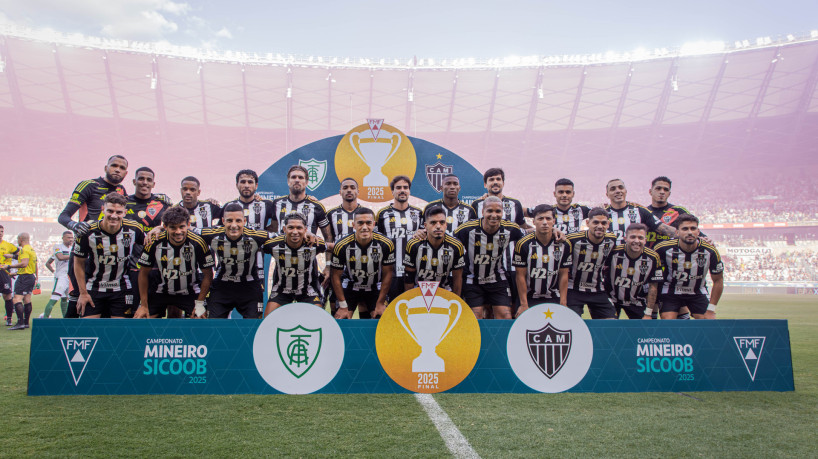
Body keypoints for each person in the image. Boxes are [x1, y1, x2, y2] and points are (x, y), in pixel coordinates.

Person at [57, 155, 129, 318]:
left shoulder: (121, 191)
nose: (117, 169)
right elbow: (63, 216)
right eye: (114, 165)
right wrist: (76, 226)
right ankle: (70, 341)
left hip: (109, 256)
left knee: (104, 308)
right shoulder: (89, 185)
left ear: (126, 173)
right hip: (85, 254)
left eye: (122, 167)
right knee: (77, 303)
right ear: (106, 168)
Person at [70, 193, 146, 319]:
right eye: (110, 211)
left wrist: (157, 229)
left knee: (120, 332)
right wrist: (82, 293)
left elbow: (149, 243)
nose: (114, 216)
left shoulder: (134, 229)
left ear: (125, 212)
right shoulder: (87, 231)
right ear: (103, 210)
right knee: (89, 330)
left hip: (121, 288)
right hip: (93, 288)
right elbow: (78, 262)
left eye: (118, 212)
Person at [135, 206, 214, 319]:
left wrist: (200, 304)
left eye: (182, 227)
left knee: (200, 319)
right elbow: (143, 273)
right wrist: (143, 305)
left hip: (189, 291)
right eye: (173, 228)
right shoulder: (154, 242)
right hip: (160, 291)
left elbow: (208, 274)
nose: (178, 232)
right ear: (165, 227)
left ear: (188, 224)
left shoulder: (198, 243)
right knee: (142, 319)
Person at [470, 168, 530, 313]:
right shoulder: (476, 205)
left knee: (512, 304)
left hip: (511, 265)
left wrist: (549, 230)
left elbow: (523, 227)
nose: (495, 182)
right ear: (485, 184)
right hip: (486, 266)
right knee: (487, 306)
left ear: (503, 182)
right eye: (491, 179)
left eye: (498, 179)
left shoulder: (515, 204)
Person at [455, 196, 524, 320]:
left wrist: (555, 231)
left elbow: (530, 237)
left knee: (505, 317)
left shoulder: (510, 229)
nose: (494, 215)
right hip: (472, 280)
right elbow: (449, 240)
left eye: (498, 211)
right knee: (476, 318)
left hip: (497, 279)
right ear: (482, 212)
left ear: (502, 212)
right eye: (489, 211)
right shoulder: (467, 229)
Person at [200, 202, 274, 319]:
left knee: (252, 327)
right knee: (213, 326)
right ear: (223, 221)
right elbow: (187, 232)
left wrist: (310, 235)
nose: (234, 225)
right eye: (229, 221)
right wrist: (160, 229)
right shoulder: (212, 234)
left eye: (238, 221)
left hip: (249, 286)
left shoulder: (256, 235)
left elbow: (283, 238)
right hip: (222, 286)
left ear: (244, 221)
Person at [652, 215, 724, 320]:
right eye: (685, 229)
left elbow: (718, 280)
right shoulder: (663, 248)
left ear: (698, 232)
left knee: (708, 322)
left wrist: (711, 310)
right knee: (668, 321)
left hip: (697, 291)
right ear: (677, 232)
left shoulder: (710, 251)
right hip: (671, 291)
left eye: (693, 228)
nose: (689, 232)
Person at [331, 208, 395, 319]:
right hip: (350, 285)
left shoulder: (386, 243)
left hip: (375, 286)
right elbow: (335, 275)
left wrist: (380, 303)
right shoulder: (341, 245)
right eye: (360, 223)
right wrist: (342, 306)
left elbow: (388, 273)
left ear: (374, 224)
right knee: (342, 318)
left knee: (381, 318)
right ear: (353, 225)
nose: (364, 227)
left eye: (368, 223)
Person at [126, 166, 173, 316]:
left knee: (155, 314)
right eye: (141, 179)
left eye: (149, 180)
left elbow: (176, 226)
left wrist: (160, 228)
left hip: (158, 268)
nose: (144, 182)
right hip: (133, 267)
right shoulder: (124, 204)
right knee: (133, 313)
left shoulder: (163, 204)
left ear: (154, 184)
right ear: (134, 181)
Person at [513, 204, 572, 317]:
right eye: (540, 218)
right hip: (529, 297)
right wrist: (524, 304)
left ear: (553, 221)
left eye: (548, 218)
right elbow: (520, 276)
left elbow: (564, 275)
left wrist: (563, 303)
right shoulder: (523, 244)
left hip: (554, 297)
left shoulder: (564, 244)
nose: (545, 222)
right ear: (534, 221)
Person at [264, 213, 327, 315]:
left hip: (307, 291)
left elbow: (333, 248)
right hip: (281, 290)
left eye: (299, 228)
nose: (295, 232)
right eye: (290, 228)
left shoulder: (315, 244)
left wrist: (328, 267)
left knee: (318, 319)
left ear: (305, 229)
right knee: (267, 321)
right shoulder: (272, 245)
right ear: (284, 229)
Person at [564, 207, 619, 319]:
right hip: (573, 290)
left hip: (597, 289)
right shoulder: (572, 239)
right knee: (572, 322)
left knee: (611, 323)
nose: (600, 226)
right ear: (588, 223)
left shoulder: (611, 240)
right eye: (596, 222)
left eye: (604, 223)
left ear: (608, 224)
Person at [376, 175, 424, 301]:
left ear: (409, 191)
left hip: (414, 270)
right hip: (391, 271)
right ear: (392, 191)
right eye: (398, 188)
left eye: (405, 187)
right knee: (391, 308)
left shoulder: (418, 213)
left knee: (413, 307)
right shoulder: (383, 214)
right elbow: (377, 240)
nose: (402, 190)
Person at [605, 224, 664, 319]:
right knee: (609, 326)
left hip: (636, 301)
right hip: (612, 299)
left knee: (644, 330)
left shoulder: (653, 257)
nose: (636, 241)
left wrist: (648, 313)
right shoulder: (614, 252)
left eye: (640, 238)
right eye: (633, 237)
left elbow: (653, 287)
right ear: (625, 238)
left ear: (645, 240)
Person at [403, 205, 465, 295]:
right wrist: (410, 300)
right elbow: (409, 278)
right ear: (425, 225)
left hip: (445, 291)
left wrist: (456, 302)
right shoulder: (413, 244)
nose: (438, 226)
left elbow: (457, 278)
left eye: (442, 222)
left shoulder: (456, 245)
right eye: (433, 223)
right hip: (419, 292)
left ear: (446, 225)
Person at [325, 178, 361, 315]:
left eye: (352, 187)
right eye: (345, 188)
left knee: (365, 305)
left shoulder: (366, 212)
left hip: (362, 268)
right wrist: (328, 266)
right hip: (339, 269)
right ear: (340, 192)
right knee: (337, 309)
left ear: (358, 191)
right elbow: (328, 240)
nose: (349, 190)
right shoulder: (332, 214)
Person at [270, 165, 332, 243]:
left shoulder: (316, 206)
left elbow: (328, 237)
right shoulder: (277, 203)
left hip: (307, 253)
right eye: (293, 177)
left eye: (300, 177)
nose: (297, 180)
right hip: (283, 254)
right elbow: (274, 229)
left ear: (306, 182)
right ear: (288, 181)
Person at [604, 178, 675, 245]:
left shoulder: (640, 210)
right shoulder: (603, 213)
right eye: (613, 189)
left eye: (621, 188)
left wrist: (684, 235)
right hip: (609, 257)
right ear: (607, 195)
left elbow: (664, 229)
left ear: (626, 191)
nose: (618, 191)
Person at [6, 233, 37, 329]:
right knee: (27, 299)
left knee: (16, 299)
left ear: (20, 239)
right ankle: (26, 322)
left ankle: (20, 323)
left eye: (17, 239)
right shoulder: (31, 249)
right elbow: (33, 265)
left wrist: (9, 266)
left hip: (24, 278)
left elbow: (24, 264)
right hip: (30, 276)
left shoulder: (24, 250)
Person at [42, 231, 74, 318]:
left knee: (66, 299)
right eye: (68, 237)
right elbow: (60, 257)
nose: (70, 239)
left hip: (70, 277)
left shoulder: (73, 248)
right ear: (63, 238)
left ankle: (65, 318)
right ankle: (45, 318)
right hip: (61, 277)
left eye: (71, 237)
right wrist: (54, 272)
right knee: (54, 298)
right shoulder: (58, 247)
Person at [0, 225, 19, 325]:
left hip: (4, 272)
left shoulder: (8, 245)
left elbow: (21, 254)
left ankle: (9, 318)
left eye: (2, 231)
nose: (0, 233)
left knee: (7, 296)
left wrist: (12, 256)